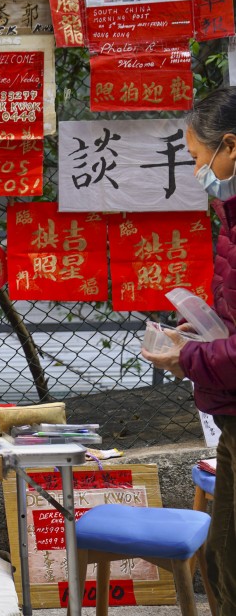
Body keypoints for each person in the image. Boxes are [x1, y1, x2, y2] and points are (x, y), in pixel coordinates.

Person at [143, 86, 236, 613]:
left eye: (199, 159)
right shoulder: (230, 216)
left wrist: (187, 358)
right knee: (222, 561)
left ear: (230, 147)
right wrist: (206, 327)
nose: (198, 171)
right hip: (230, 415)